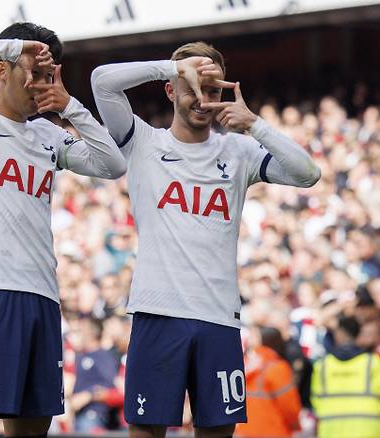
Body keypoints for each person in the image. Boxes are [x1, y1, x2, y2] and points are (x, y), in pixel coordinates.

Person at [91, 42, 320, 437]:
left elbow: (307, 173)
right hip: (157, 312)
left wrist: (256, 125)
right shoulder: (143, 141)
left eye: (212, 90)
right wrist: (172, 67)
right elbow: (102, 82)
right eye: (192, 87)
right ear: (170, 88)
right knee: (146, 431)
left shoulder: (240, 150)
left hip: (218, 317)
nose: (202, 99)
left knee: (217, 432)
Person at [0, 22, 126, 438]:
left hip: (42, 295)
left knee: (33, 426)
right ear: (3, 70)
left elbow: (112, 164)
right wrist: (15, 47)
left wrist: (69, 104)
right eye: (31, 73)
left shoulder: (49, 135)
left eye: (47, 75)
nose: (39, 85)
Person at [311, 315, 380, 438]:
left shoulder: (322, 366)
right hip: (368, 431)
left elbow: (316, 401)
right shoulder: (373, 363)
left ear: (339, 333)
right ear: (358, 334)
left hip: (331, 431)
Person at [235, 326, 301, 438]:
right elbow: (289, 406)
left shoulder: (243, 365)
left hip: (245, 432)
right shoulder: (278, 368)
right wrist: (295, 425)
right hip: (275, 431)